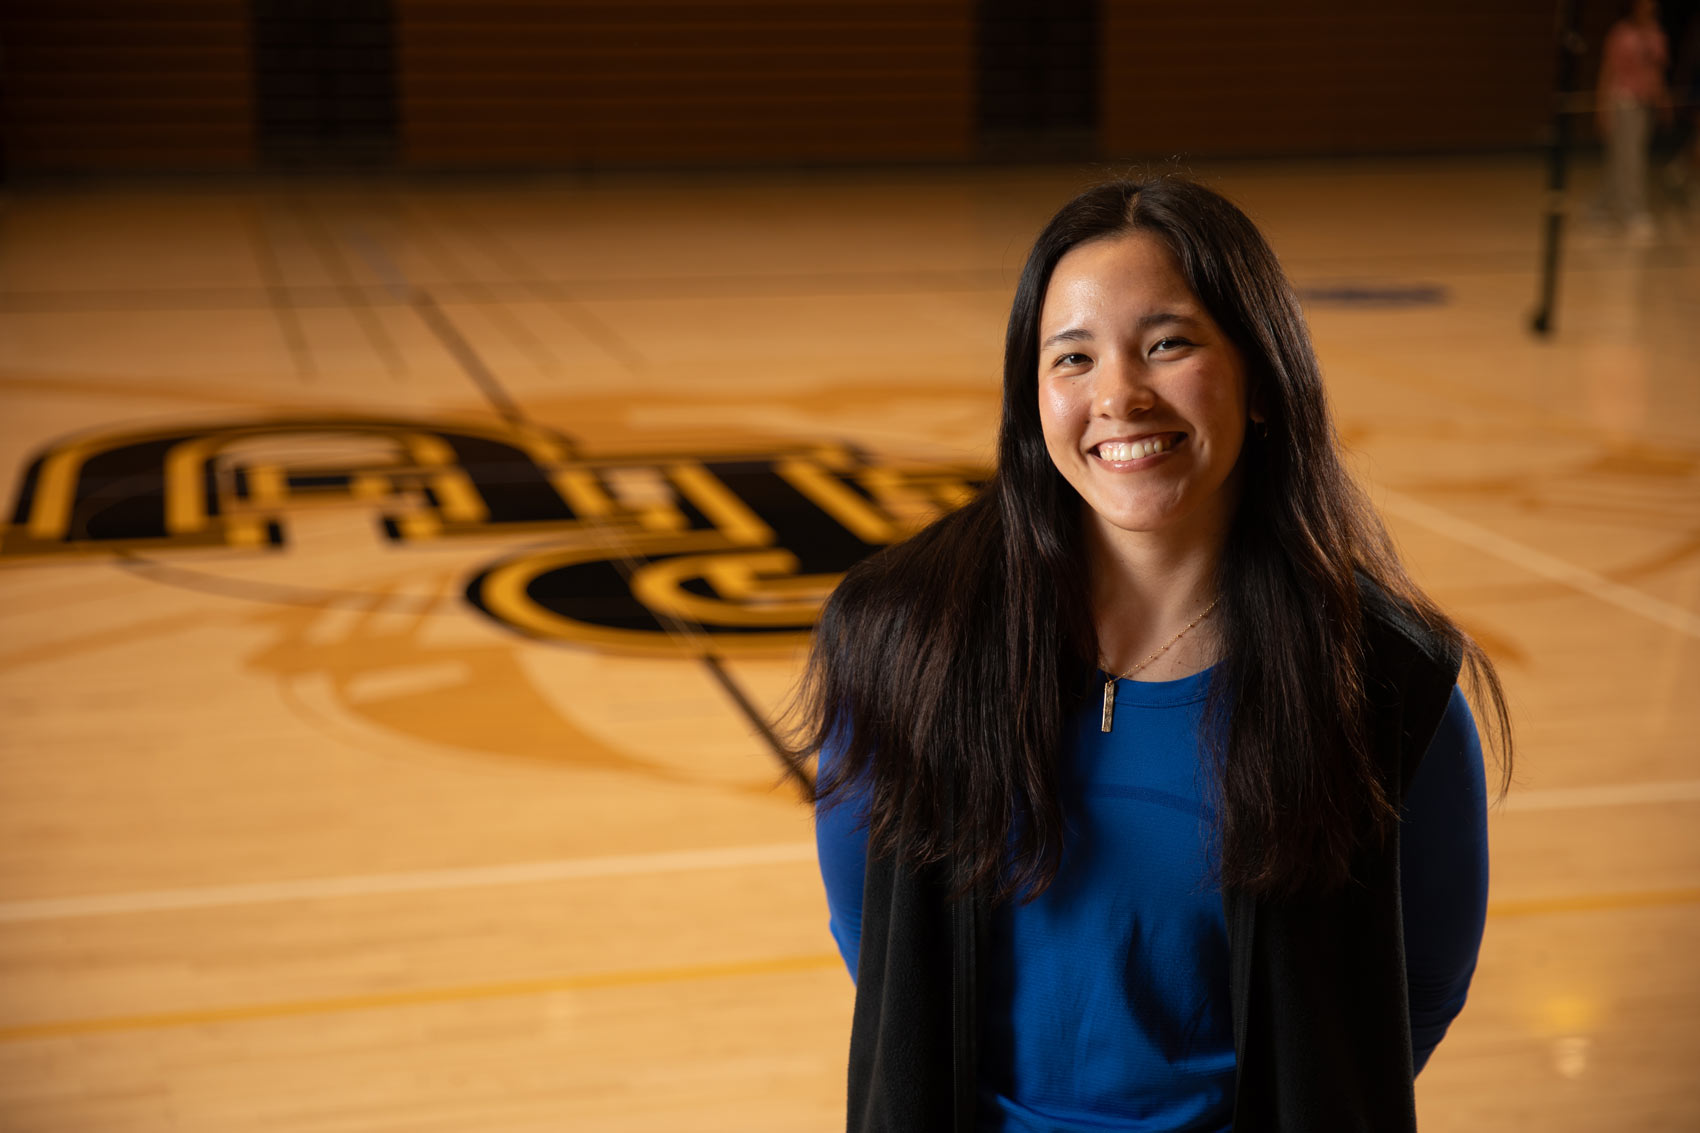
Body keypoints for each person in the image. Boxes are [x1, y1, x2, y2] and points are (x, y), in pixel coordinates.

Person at [784, 178, 1512, 1132]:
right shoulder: (900, 639)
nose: (1119, 395)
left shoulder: (1383, 683)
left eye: (1167, 344)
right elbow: (873, 932)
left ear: (1259, 378)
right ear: (1030, 398)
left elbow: (1411, 991)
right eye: (1073, 356)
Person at [1596, 0, 1672, 239]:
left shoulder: (1656, 34)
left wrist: (1663, 100)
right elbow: (1608, 70)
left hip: (1645, 103)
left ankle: (1599, 207)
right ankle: (1631, 211)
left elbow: (1656, 71)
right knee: (1628, 157)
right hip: (1624, 101)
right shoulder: (1621, 34)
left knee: (1628, 155)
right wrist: (1602, 107)